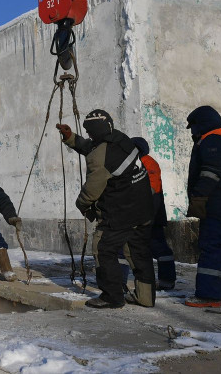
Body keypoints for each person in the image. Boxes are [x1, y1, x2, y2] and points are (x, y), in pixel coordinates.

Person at [56, 110, 155, 309]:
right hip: (144, 209)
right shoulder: (121, 140)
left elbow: (91, 191)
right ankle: (146, 297)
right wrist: (71, 138)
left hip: (121, 212)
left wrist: (82, 205)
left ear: (97, 132)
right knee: (138, 254)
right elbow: (93, 147)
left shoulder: (100, 156)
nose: (89, 136)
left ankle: (112, 296)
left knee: (103, 249)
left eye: (90, 132)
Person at [184, 105, 221, 308]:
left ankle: (208, 295)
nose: (192, 132)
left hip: (216, 202)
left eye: (193, 127)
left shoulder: (213, 138)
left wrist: (199, 196)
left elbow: (211, 171)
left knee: (210, 246)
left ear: (202, 123)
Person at [131, 137, 177, 290]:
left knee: (158, 248)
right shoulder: (140, 162)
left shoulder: (147, 162)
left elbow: (151, 188)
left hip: (151, 216)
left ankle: (166, 281)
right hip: (149, 215)